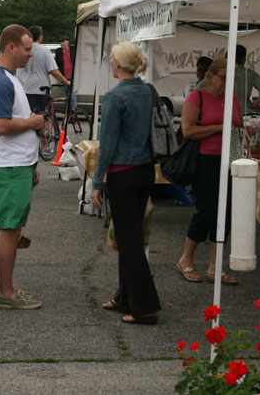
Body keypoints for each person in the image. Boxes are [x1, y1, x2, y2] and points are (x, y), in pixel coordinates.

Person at [90, 42, 160, 325]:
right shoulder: (147, 91)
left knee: (128, 240)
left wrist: (96, 181)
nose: (109, 62)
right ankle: (125, 296)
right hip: (145, 171)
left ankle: (144, 307)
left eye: (111, 58)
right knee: (129, 236)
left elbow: (106, 144)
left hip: (123, 173)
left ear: (117, 63)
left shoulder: (115, 96)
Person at [0, 24, 46, 310]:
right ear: (11, 47)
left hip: (14, 164)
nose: (32, 53)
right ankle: (6, 292)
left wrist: (31, 161)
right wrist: (32, 123)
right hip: (9, 166)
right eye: (28, 48)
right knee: (10, 229)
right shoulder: (0, 81)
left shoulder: (6, 77)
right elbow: (1, 125)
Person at [176, 58, 242, 285]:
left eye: (231, 79)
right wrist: (219, 127)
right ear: (211, 76)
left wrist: (245, 128)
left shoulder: (233, 99)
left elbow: (237, 125)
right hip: (206, 160)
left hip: (231, 161)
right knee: (207, 210)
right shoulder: (198, 97)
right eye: (223, 78)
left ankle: (216, 267)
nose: (227, 83)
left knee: (226, 214)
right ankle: (186, 258)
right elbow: (188, 131)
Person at [16, 25, 69, 114]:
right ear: (40, 37)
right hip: (39, 90)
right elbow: (54, 71)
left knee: (26, 117)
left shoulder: (21, 50)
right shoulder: (44, 51)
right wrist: (66, 82)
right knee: (42, 118)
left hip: (23, 90)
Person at [233, 45, 260, 117]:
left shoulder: (220, 72)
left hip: (224, 113)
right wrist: (254, 104)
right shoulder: (249, 73)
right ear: (243, 59)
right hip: (244, 113)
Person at [54, 36, 77, 108]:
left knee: (72, 97)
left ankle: (73, 114)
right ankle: (68, 111)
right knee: (65, 97)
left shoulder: (74, 49)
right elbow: (56, 63)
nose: (61, 43)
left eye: (63, 41)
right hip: (64, 77)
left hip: (73, 77)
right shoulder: (58, 51)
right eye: (60, 42)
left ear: (68, 42)